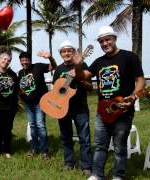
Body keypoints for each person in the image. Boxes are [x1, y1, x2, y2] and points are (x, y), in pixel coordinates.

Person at [72, 26, 145, 180]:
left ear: (114, 39)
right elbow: (82, 76)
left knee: (119, 147)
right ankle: (97, 175)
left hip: (123, 111)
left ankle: (118, 176)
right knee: (100, 146)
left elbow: (140, 79)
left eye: (107, 39)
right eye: (101, 41)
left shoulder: (129, 57)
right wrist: (78, 65)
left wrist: (133, 97)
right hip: (102, 111)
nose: (105, 43)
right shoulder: (99, 62)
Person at [53, 40, 92, 177]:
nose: (67, 53)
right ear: (61, 54)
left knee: (84, 138)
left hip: (80, 107)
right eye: (64, 51)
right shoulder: (58, 69)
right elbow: (56, 90)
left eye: (69, 50)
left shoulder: (82, 65)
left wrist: (79, 76)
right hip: (63, 108)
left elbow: (90, 87)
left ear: (74, 52)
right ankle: (69, 163)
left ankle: (86, 166)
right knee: (65, 137)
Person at [18, 50, 57, 159]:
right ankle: (34, 148)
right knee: (32, 126)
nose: (24, 62)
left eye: (26, 60)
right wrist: (22, 98)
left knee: (40, 125)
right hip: (28, 104)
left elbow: (53, 66)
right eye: (22, 60)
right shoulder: (21, 73)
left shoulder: (38, 67)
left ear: (30, 60)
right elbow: (21, 88)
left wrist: (50, 57)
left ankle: (44, 151)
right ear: (20, 61)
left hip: (40, 103)